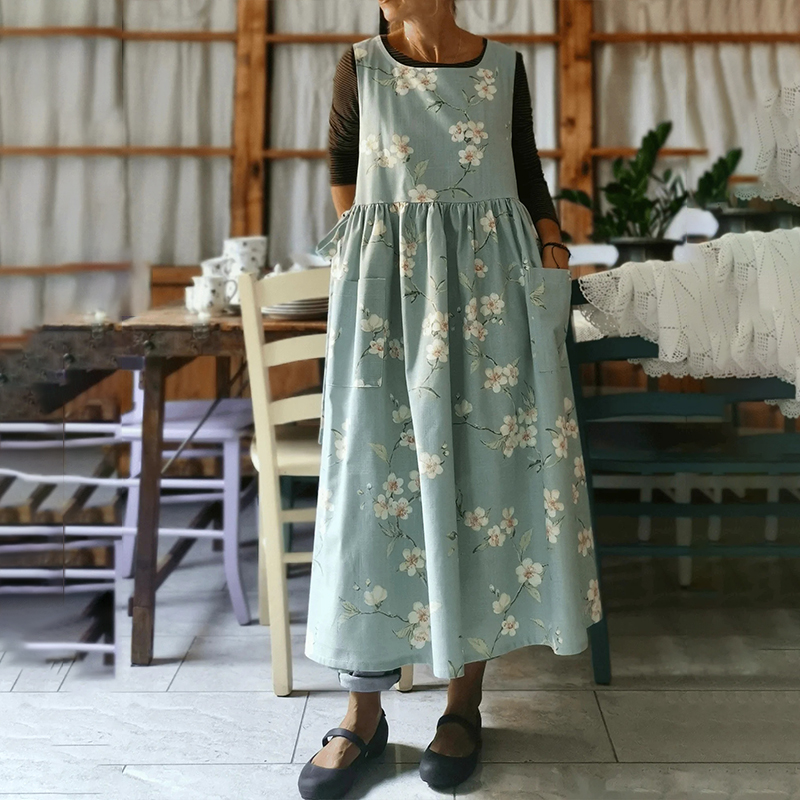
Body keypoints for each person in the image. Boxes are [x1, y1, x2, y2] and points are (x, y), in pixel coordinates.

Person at [299, 1, 603, 797]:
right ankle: (362, 712)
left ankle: (463, 705)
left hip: (490, 293)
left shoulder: (504, 66)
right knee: (370, 488)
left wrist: (550, 243)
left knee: (479, 483)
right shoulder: (359, 65)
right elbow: (343, 176)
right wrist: (390, 250)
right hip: (384, 299)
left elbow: (525, 173)